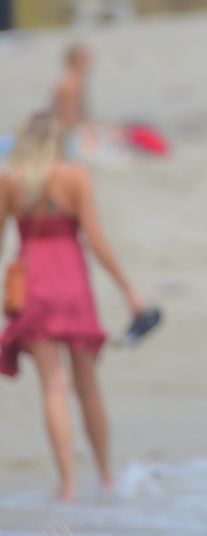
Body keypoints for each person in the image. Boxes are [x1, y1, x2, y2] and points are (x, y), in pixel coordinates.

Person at [0, 113, 145, 501]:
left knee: (53, 386)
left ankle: (67, 485)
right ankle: (106, 475)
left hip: (33, 281)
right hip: (72, 283)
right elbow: (96, 240)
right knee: (88, 385)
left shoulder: (10, 180)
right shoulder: (75, 176)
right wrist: (128, 289)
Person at [52, 44, 92, 133]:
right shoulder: (71, 85)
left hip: (69, 130)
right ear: (76, 61)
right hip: (67, 133)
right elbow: (70, 119)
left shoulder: (76, 82)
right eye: (85, 60)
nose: (89, 64)